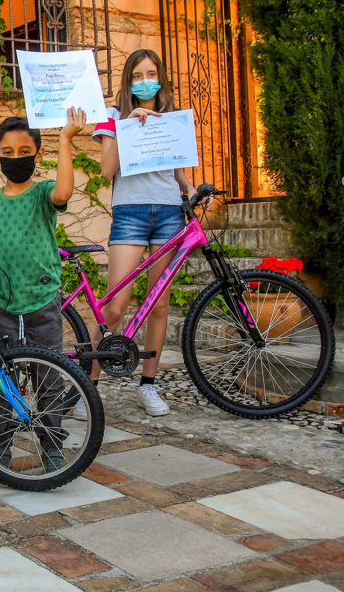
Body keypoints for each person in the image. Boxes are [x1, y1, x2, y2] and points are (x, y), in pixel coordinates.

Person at [82, 48, 201, 418]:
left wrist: (193, 190)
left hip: (168, 213)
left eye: (151, 73)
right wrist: (127, 126)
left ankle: (148, 385)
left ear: (160, 77)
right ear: (128, 80)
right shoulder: (114, 115)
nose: (144, 80)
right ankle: (89, 386)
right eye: (137, 75)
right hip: (130, 213)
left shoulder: (172, 118)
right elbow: (105, 170)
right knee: (114, 307)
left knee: (159, 303)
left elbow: (176, 171)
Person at [0, 109, 85, 471]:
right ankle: (0, 447)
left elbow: (64, 190)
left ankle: (52, 446)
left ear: (36, 153)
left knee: (49, 378)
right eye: (8, 152)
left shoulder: (43, 193)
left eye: (25, 152)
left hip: (42, 300)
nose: (16, 158)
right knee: (0, 380)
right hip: (3, 303)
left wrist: (65, 139)